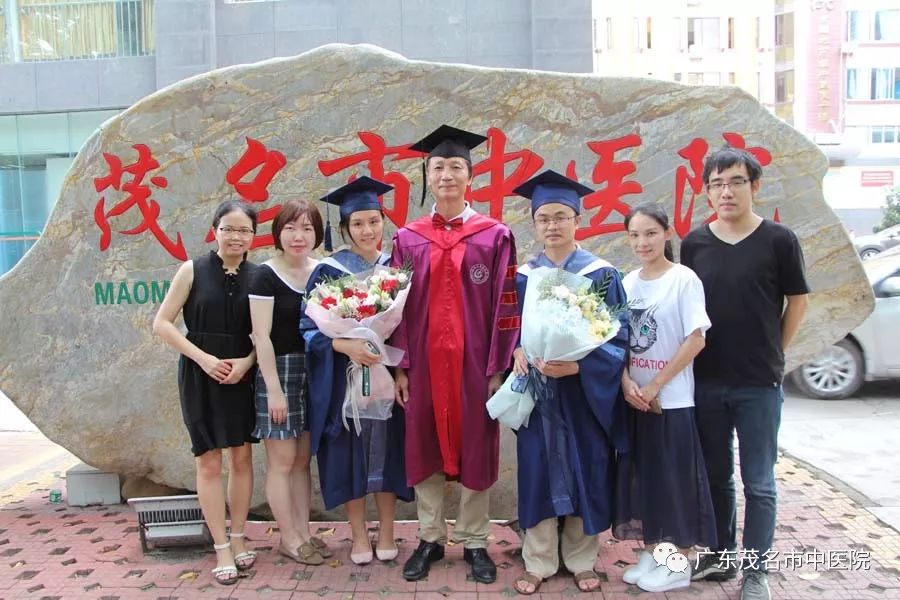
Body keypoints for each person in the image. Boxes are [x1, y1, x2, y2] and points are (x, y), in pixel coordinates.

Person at [389, 124, 520, 583]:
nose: (447, 174)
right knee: (422, 442)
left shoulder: (494, 235)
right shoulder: (408, 237)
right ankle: (428, 537)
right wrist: (400, 366)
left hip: (474, 364)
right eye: (438, 167)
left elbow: (507, 303)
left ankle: (476, 541)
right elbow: (394, 307)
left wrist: (497, 367)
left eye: (456, 167)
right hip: (423, 363)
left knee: (477, 446)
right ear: (428, 174)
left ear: (470, 176)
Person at [680, 146, 809, 600]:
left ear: (755, 186)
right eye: (716, 184)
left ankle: (756, 571)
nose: (726, 191)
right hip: (708, 379)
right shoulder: (695, 243)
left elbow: (798, 300)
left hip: (758, 382)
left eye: (735, 182)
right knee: (716, 476)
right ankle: (721, 555)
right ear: (707, 192)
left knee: (759, 482)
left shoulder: (779, 239)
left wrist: (776, 350)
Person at [508, 170, 629, 595]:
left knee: (586, 468)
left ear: (578, 219)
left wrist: (581, 367)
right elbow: (508, 329)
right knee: (538, 470)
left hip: (582, 396)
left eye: (561, 216)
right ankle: (538, 560)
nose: (552, 226)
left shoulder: (601, 274)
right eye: (544, 218)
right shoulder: (523, 275)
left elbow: (619, 336)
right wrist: (517, 353)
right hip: (540, 393)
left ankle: (581, 559)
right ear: (535, 223)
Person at [303, 176, 413, 565]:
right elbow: (308, 330)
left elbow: (408, 327)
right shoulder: (329, 271)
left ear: (384, 222)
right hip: (343, 382)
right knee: (348, 454)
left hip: (388, 379)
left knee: (388, 452)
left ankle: (386, 531)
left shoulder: (397, 269)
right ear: (345, 229)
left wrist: (401, 371)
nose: (367, 231)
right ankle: (357, 536)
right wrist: (342, 343)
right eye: (358, 224)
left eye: (373, 221)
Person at [152, 200, 260, 585]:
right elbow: (162, 324)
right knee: (208, 460)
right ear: (215, 229)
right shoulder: (192, 270)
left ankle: (240, 535)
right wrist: (204, 359)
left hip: (242, 375)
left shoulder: (258, 275)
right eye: (228, 228)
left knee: (242, 457)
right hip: (200, 373)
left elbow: (265, 335)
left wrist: (247, 362)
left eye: (244, 230)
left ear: (253, 236)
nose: (236, 236)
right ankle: (221, 546)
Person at [613, 202, 717, 593]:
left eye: (651, 233)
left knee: (674, 483)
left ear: (667, 233)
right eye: (635, 235)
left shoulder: (684, 279)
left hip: (670, 400)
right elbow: (614, 342)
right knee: (644, 481)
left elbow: (696, 338)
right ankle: (655, 553)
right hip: (634, 399)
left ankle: (677, 563)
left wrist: (655, 384)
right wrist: (626, 383)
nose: (643, 242)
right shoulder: (627, 282)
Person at [248, 199, 333, 565]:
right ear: (277, 233)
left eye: (307, 228)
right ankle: (288, 537)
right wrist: (275, 391)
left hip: (314, 370)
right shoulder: (265, 275)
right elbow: (260, 336)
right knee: (282, 459)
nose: (299, 237)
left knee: (302, 459)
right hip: (278, 372)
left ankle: (305, 533)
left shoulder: (323, 272)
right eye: (290, 228)